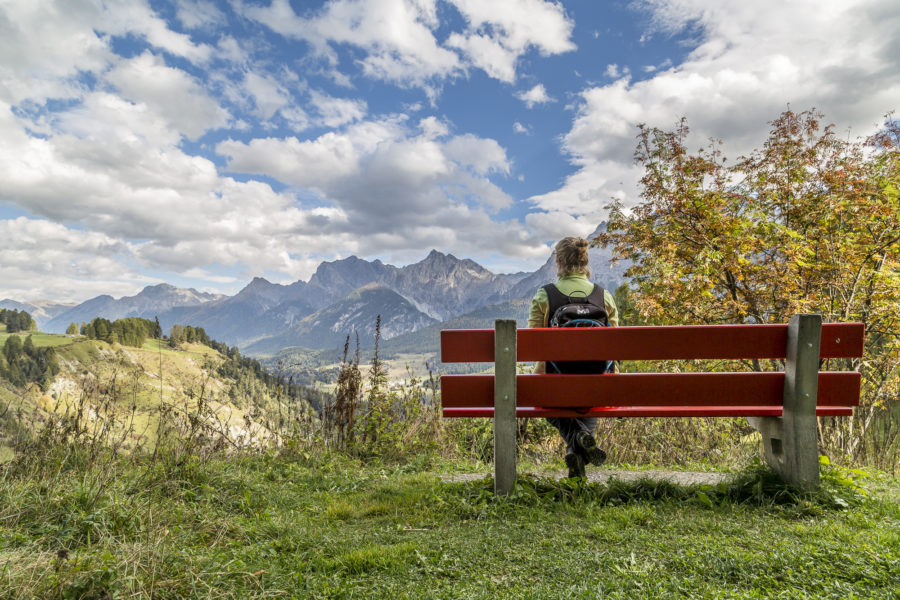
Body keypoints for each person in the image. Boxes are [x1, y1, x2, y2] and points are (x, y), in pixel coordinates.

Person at [528, 236, 619, 478]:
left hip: (553, 386)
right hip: (597, 385)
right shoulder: (604, 296)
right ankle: (579, 445)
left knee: (540, 394)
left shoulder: (544, 296)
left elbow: (532, 346)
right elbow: (616, 346)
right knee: (587, 401)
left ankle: (575, 444)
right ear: (585, 262)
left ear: (558, 262)